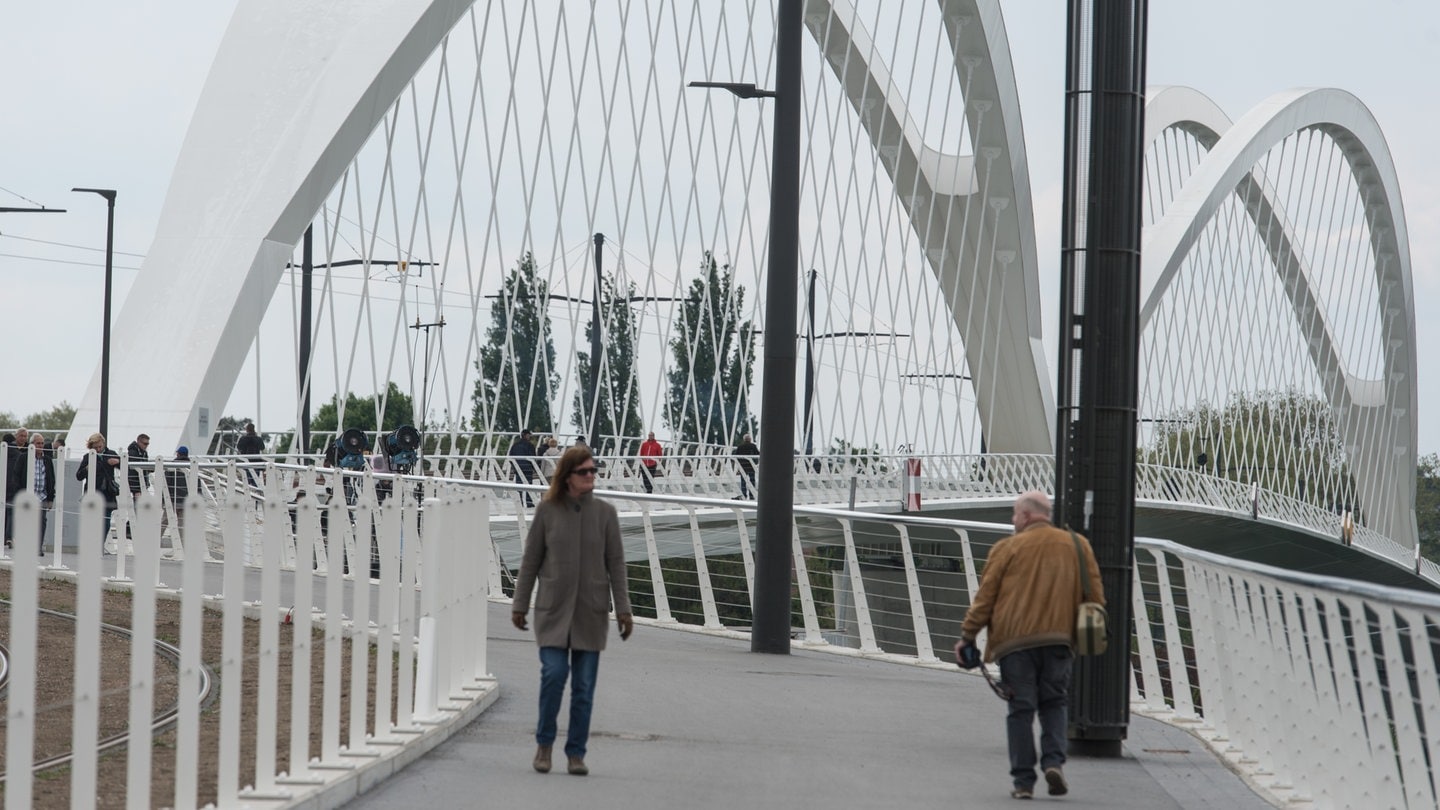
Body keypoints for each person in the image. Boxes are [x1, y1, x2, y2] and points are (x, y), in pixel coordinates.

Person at [955, 490, 1104, 800]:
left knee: (1020, 709)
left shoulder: (1006, 549)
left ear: (1025, 516)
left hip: (1014, 643)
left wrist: (968, 637)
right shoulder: (1078, 547)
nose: (1012, 519)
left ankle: (1023, 782)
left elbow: (985, 600)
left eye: (1014, 514)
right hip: (1059, 641)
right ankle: (1054, 763)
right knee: (1054, 702)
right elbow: (1096, 600)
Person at [511, 446, 633, 777]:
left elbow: (616, 565)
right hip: (553, 612)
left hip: (590, 615)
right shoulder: (547, 511)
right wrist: (520, 604)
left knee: (584, 688)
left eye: (594, 470)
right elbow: (531, 561)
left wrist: (623, 610)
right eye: (585, 471)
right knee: (553, 676)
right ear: (568, 476)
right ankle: (544, 745)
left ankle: (576, 753)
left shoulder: (605, 513)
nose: (592, 476)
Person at [6, 432, 55, 551]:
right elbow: (16, 476)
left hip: (42, 496)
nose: (41, 445)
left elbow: (51, 479)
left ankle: (38, 547)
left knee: (41, 522)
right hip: (27, 496)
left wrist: (50, 498)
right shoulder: (23, 458)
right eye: (38, 443)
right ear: (32, 444)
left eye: (42, 443)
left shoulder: (47, 460)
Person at [75, 432, 122, 544]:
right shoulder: (87, 457)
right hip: (92, 493)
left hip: (107, 493)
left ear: (104, 444)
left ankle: (99, 544)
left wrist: (118, 462)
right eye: (95, 448)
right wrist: (87, 468)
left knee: (105, 522)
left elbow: (124, 467)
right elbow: (79, 476)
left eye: (100, 446)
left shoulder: (111, 453)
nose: (98, 449)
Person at [164, 446, 191, 542]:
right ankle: (183, 543)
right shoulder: (192, 466)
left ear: (178, 454)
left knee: (164, 520)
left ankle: (155, 540)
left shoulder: (172, 465)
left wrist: (164, 499)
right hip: (186, 499)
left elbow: (166, 482)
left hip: (172, 498)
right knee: (182, 523)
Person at [508, 429, 538, 506]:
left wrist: (514, 466)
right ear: (526, 435)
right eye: (529, 435)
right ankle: (529, 503)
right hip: (527, 468)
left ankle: (519, 502)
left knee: (519, 486)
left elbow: (510, 456)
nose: (530, 436)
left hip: (518, 468)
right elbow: (533, 457)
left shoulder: (515, 445)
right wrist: (533, 467)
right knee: (529, 486)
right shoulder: (530, 445)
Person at [734, 433, 759, 499]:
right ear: (750, 439)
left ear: (744, 439)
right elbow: (758, 454)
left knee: (743, 481)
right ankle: (752, 495)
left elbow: (736, 456)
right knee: (752, 481)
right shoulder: (753, 446)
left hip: (743, 466)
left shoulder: (740, 446)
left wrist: (739, 464)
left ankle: (744, 495)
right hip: (751, 466)